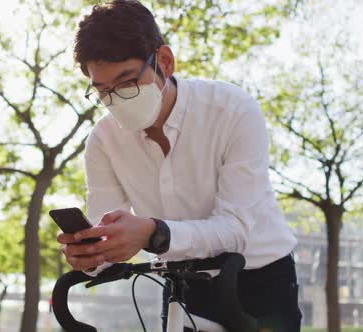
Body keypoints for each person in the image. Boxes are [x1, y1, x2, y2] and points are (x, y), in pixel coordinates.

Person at [56, 1, 302, 331]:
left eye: (127, 80)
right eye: (103, 90)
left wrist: (154, 232)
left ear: (165, 61)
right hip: (181, 282)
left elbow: (235, 230)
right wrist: (92, 256)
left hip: (261, 281)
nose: (116, 98)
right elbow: (107, 231)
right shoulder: (102, 140)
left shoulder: (232, 111)